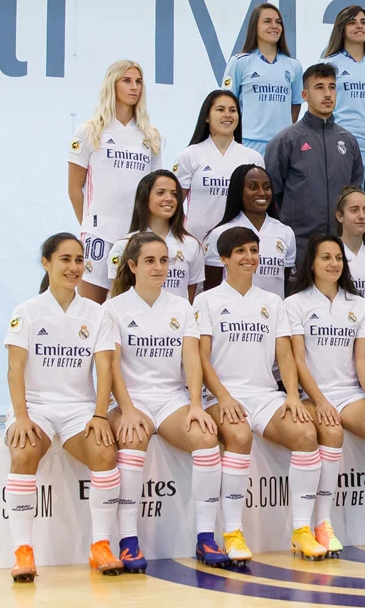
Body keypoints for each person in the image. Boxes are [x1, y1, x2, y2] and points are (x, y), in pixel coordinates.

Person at [192, 226, 327, 562]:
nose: (249, 257)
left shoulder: (271, 302)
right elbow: (201, 359)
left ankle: (301, 531)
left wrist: (293, 396)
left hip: (265, 395)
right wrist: (223, 397)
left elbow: (285, 355)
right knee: (238, 437)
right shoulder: (206, 300)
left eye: (253, 250)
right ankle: (233, 533)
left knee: (307, 433)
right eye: (240, 251)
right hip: (221, 396)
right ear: (223, 259)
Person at [103, 232, 231, 568]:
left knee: (206, 438)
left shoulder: (181, 307)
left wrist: (195, 405)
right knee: (132, 440)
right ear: (131, 265)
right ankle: (128, 541)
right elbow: (112, 366)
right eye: (149, 261)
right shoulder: (113, 309)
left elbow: (192, 360)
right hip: (132, 400)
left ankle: (206, 538)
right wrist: (127, 409)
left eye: (163, 260)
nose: (159, 267)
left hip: (172, 400)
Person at [3, 233, 123, 581]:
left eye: (79, 260)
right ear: (47, 263)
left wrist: (100, 414)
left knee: (104, 452)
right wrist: (22, 416)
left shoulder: (97, 313)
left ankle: (100, 545)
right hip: (36, 406)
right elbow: (14, 368)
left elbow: (105, 368)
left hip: (79, 408)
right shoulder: (26, 311)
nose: (74, 267)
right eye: (65, 259)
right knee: (23, 452)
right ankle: (23, 551)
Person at [284, 235, 365, 554]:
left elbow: (362, 358)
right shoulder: (295, 303)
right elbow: (298, 360)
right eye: (325, 257)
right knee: (330, 430)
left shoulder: (358, 305)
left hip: (349, 394)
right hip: (313, 395)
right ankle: (321, 524)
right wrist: (319, 400)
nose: (333, 263)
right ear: (311, 262)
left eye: (338, 258)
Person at [68, 60, 163, 303]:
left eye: (139, 82)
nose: (134, 87)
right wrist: (89, 226)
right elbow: (74, 188)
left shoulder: (150, 136)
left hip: (136, 234)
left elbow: (155, 192)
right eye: (127, 81)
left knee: (132, 306)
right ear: (112, 84)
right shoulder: (89, 131)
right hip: (99, 235)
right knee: (91, 308)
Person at [264, 63, 364, 244]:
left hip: (339, 243)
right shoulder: (286, 140)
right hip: (298, 243)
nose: (327, 94)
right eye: (319, 87)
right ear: (305, 95)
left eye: (332, 87)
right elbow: (272, 195)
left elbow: (354, 193)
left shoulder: (349, 142)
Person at [172, 89, 264, 242]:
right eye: (220, 110)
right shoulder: (189, 155)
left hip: (239, 246)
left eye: (233, 110)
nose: (227, 115)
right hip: (197, 243)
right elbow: (173, 203)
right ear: (207, 117)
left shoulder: (253, 158)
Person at [108, 170, 204, 302]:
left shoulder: (191, 245)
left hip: (177, 320)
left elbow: (190, 298)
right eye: (160, 193)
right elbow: (118, 296)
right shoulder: (123, 245)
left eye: (174, 194)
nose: (169, 198)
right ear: (145, 198)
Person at [202, 164, 295, 297]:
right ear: (238, 191)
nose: (262, 192)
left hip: (272, 314)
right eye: (253, 187)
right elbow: (211, 290)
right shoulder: (220, 234)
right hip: (231, 315)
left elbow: (285, 286)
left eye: (267, 187)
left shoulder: (285, 232)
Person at [221, 3, 303, 154]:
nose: (274, 26)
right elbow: (227, 102)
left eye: (278, 22)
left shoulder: (294, 66)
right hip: (248, 143)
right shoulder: (239, 62)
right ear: (255, 27)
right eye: (267, 21)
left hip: (282, 145)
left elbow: (295, 105)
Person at [320, 5, 365, 168]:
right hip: (337, 148)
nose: (359, 26)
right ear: (342, 28)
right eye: (352, 22)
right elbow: (319, 109)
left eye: (363, 22)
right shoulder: (327, 63)